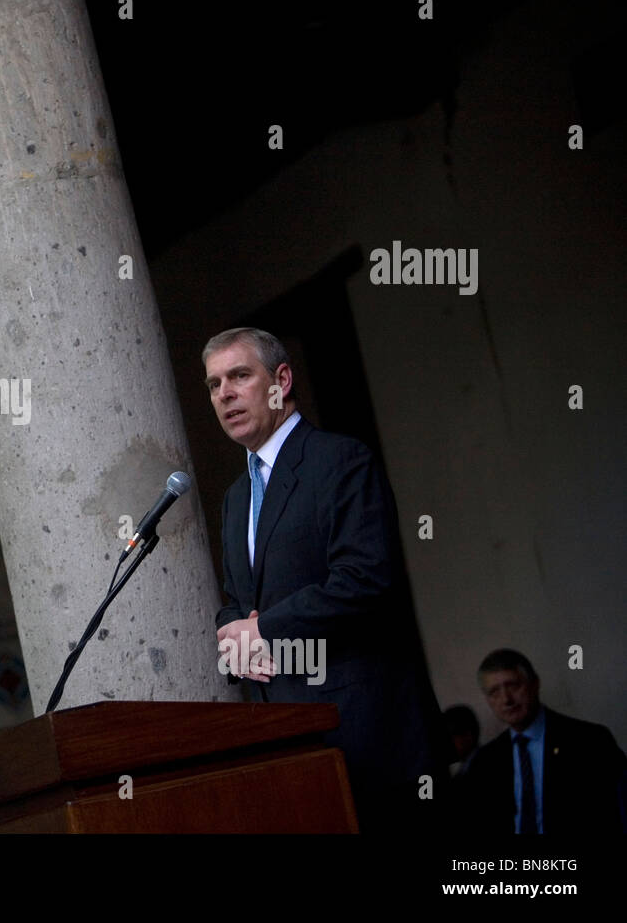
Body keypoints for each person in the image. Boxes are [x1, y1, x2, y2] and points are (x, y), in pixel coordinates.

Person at [203, 327, 449, 832]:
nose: (224, 393)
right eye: (213, 384)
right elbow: (237, 600)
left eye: (240, 376)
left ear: (282, 380)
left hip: (366, 734)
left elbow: (365, 580)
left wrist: (264, 630)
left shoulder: (340, 459)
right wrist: (234, 638)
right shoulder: (234, 499)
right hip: (287, 742)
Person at [460, 648, 626, 833]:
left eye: (513, 686)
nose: (506, 699)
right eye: (494, 692)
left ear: (535, 684)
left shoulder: (590, 741)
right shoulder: (485, 761)